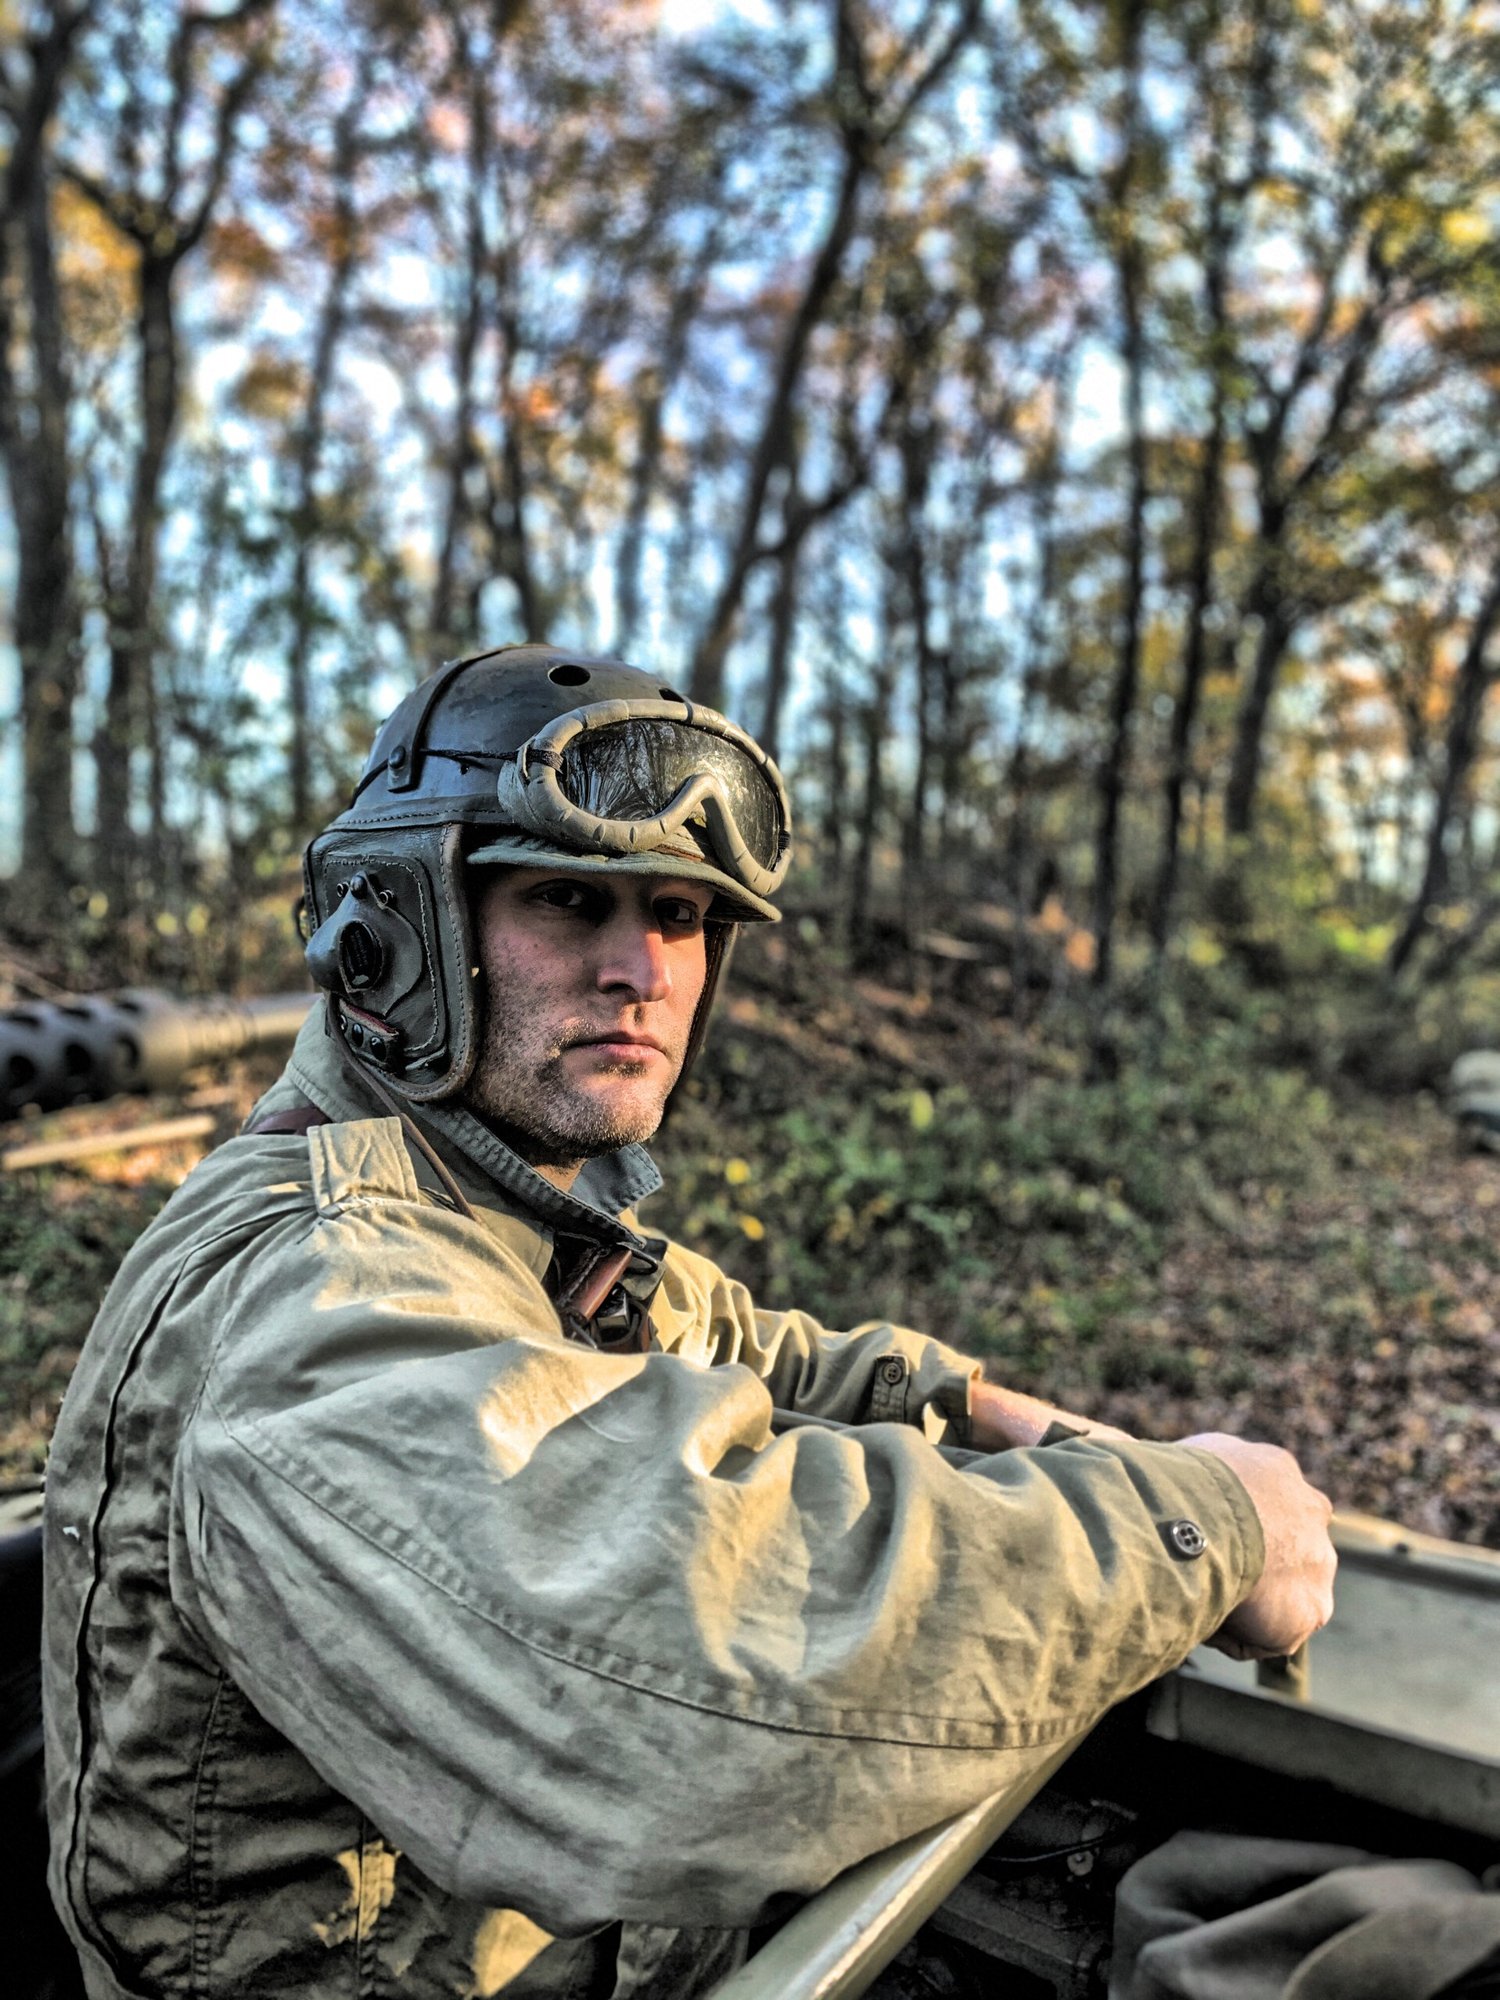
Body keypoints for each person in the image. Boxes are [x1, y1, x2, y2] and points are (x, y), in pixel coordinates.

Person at [42, 643, 1335, 2000]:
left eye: (679, 916)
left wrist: (956, 1402)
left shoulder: (484, 1212)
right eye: (567, 902)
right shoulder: (316, 1289)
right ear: (400, 928)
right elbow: (705, 1671)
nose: (641, 972)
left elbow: (722, 1338)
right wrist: (1194, 1523)